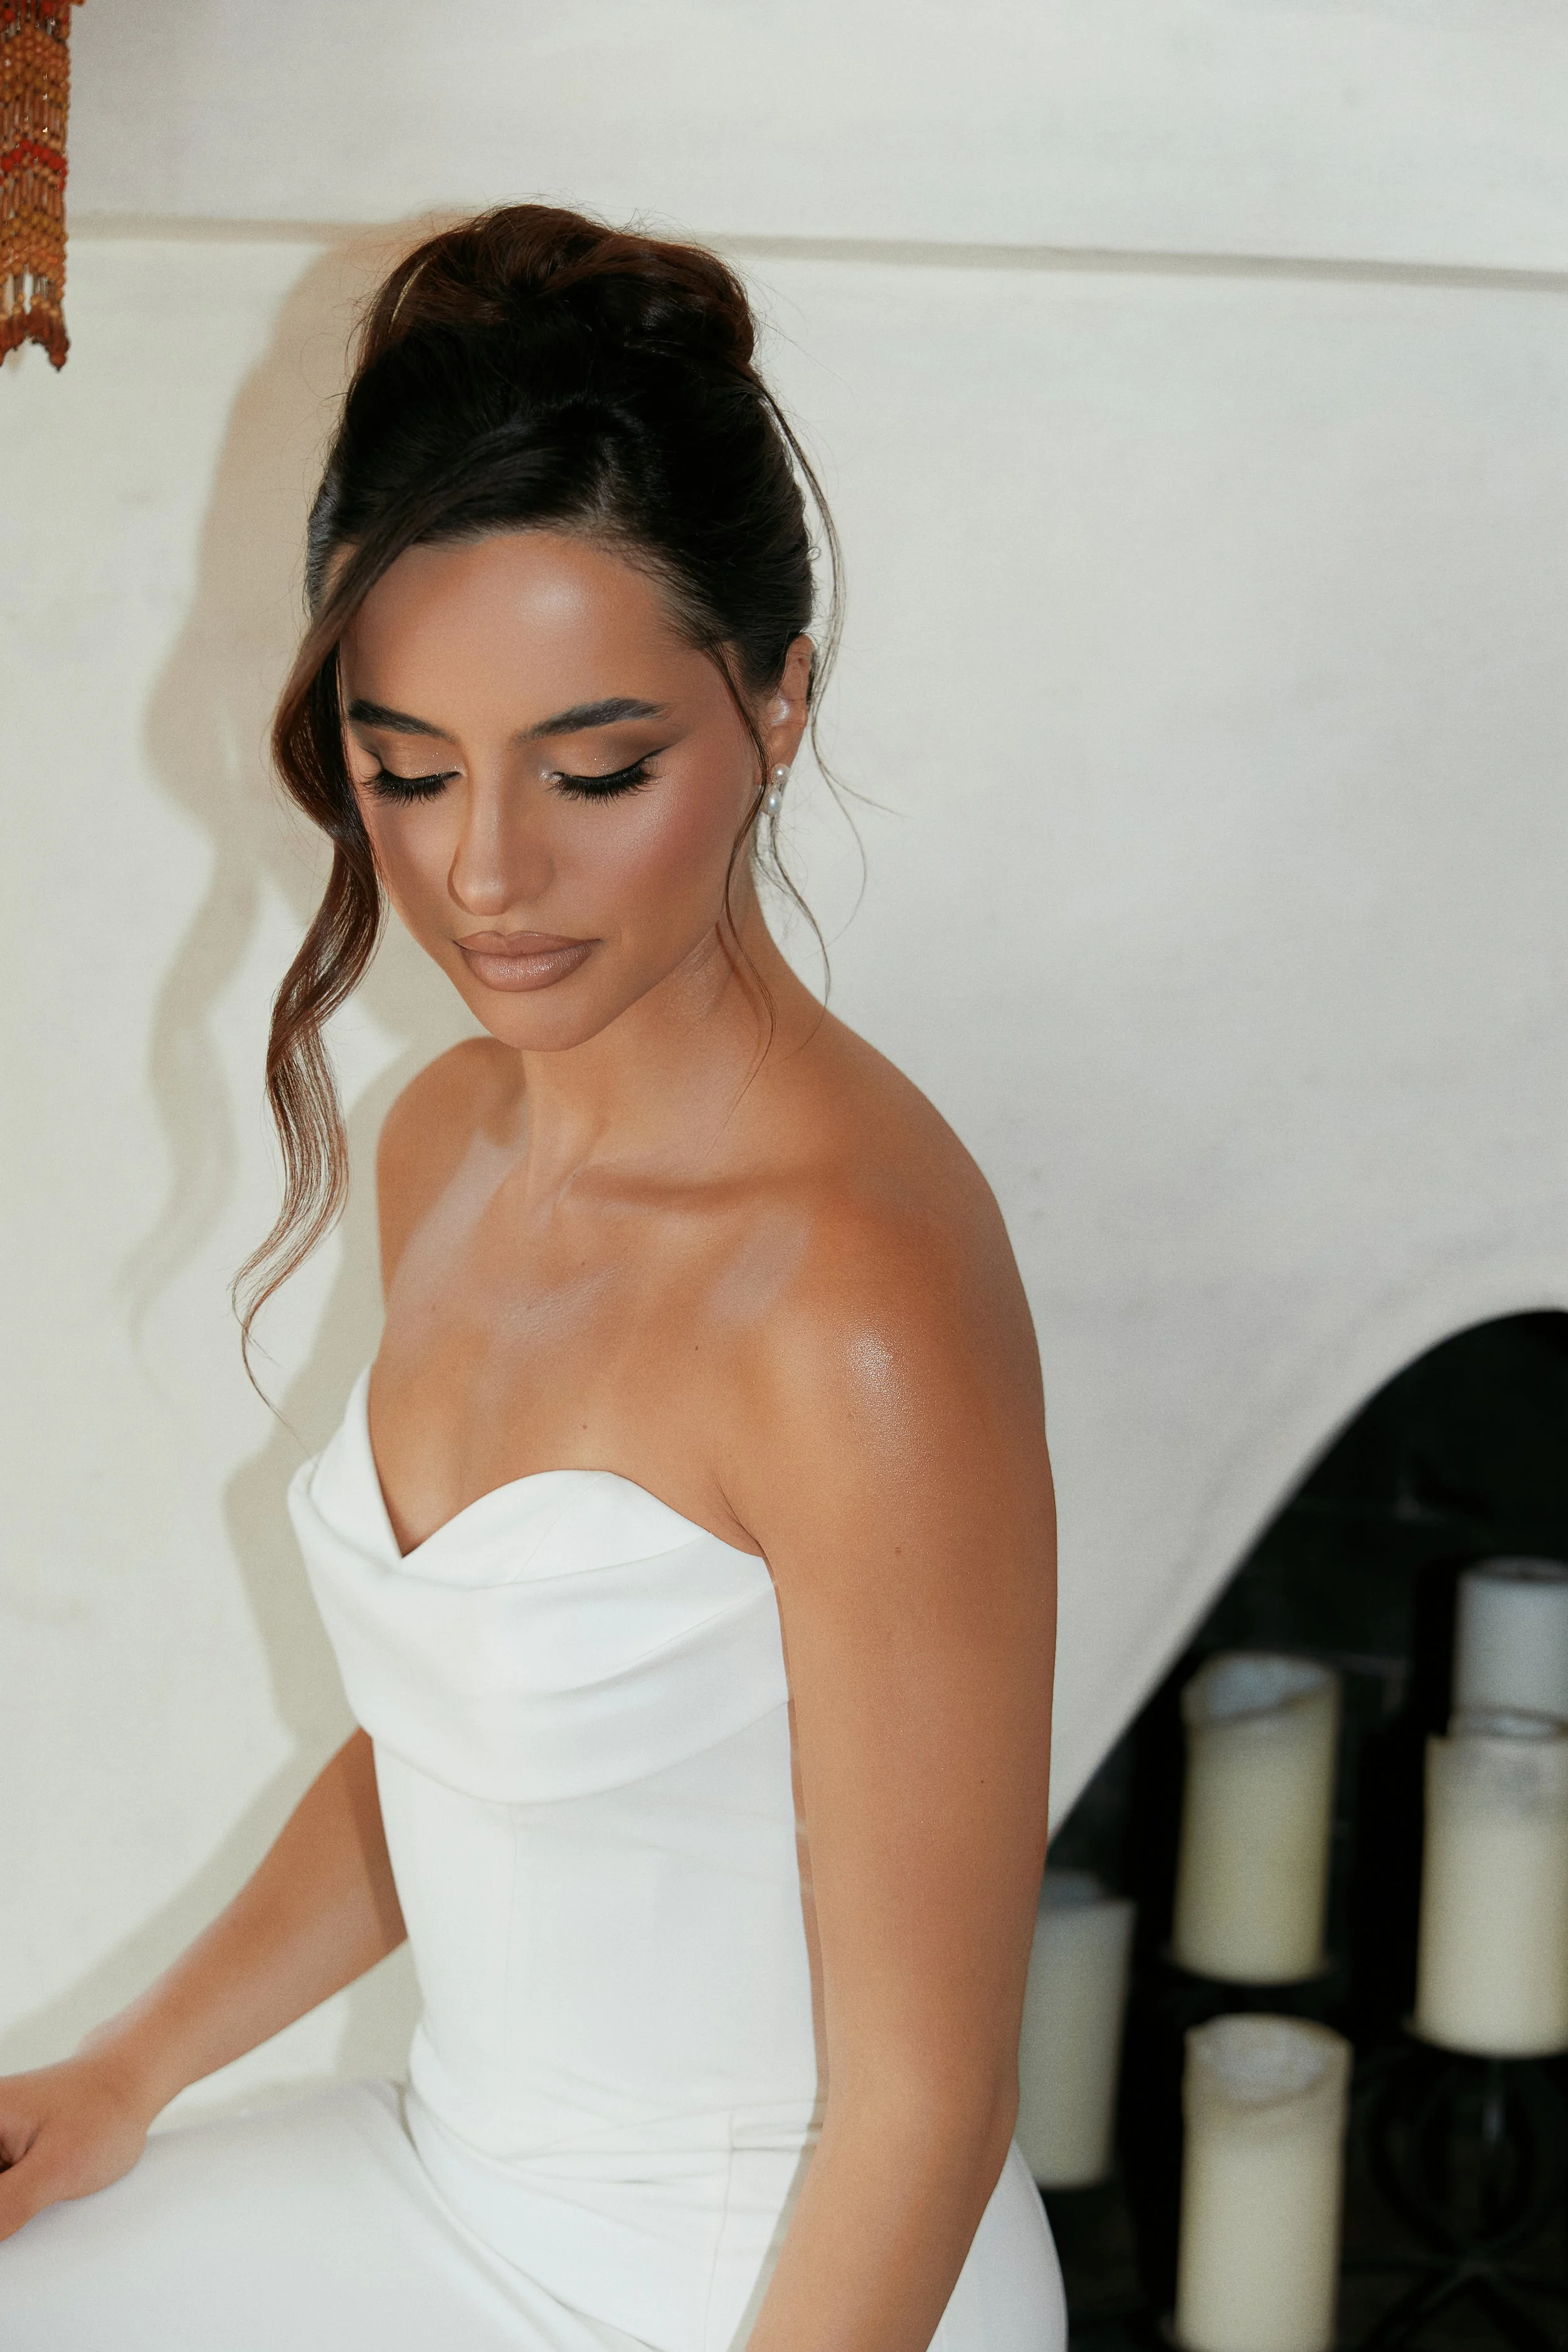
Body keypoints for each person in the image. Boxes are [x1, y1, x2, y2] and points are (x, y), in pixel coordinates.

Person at [0, 205, 1066, 2352]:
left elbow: (927, 2108)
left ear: (778, 699)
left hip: (790, 2282)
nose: (482, 871)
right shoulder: (446, 1141)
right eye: (405, 769)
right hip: (442, 2186)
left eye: (595, 771)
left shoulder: (844, 1301)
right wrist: (126, 2071)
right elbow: (463, 1753)